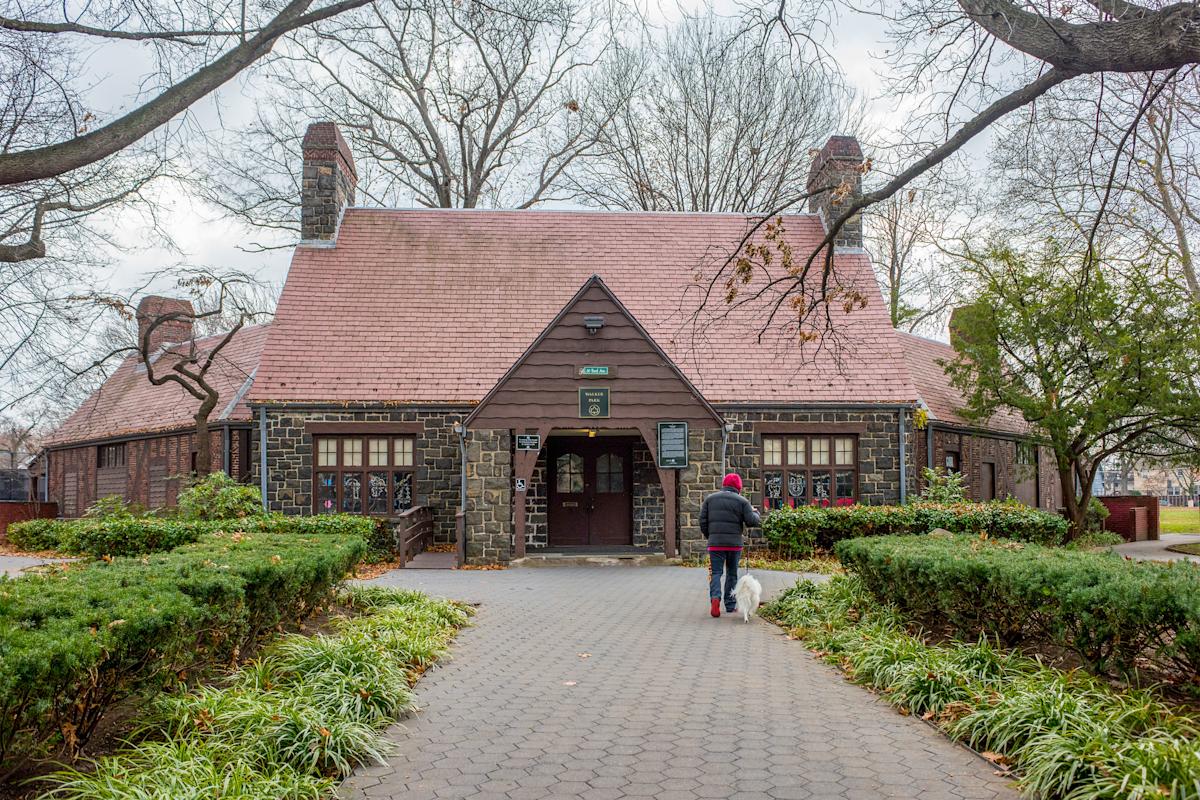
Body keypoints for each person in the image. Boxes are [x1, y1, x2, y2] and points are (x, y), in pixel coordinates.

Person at [699, 472, 761, 618]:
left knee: (716, 573)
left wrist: (711, 536)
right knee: (732, 574)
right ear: (738, 487)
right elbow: (752, 521)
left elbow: (702, 521)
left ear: (724, 485)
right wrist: (755, 512)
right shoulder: (742, 501)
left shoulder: (710, 499)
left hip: (715, 544)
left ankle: (715, 598)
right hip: (734, 544)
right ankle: (730, 604)